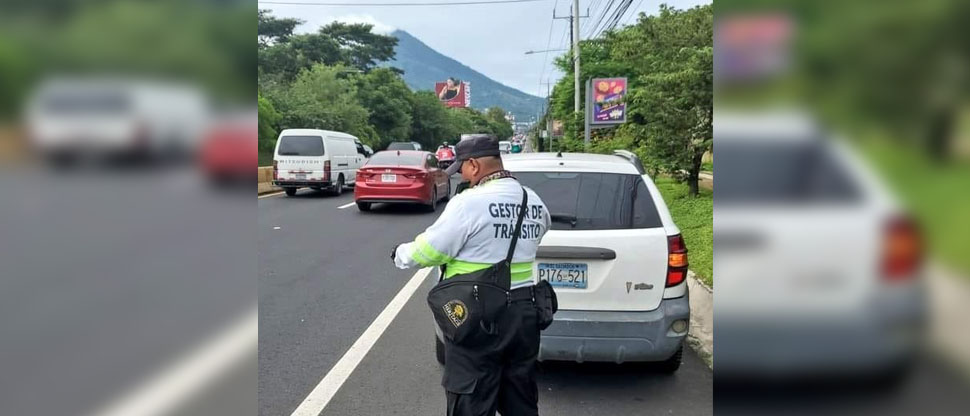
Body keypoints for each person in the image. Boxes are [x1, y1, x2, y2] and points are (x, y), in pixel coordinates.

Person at [391, 134, 551, 416]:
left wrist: (400, 254)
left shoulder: (469, 203)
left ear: (474, 165)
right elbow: (541, 232)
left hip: (478, 316)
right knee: (520, 398)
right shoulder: (534, 200)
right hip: (525, 314)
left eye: (462, 168)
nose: (461, 175)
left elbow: (431, 249)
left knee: (471, 399)